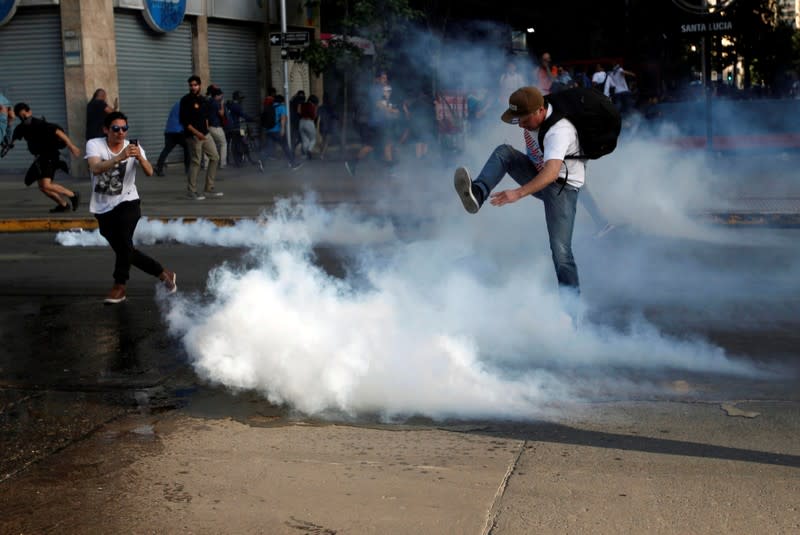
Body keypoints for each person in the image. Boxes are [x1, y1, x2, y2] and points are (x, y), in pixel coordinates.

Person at [453, 86, 585, 307]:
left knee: (561, 252)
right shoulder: (532, 120)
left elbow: (551, 173)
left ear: (539, 111)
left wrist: (518, 192)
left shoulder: (559, 131)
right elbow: (534, 157)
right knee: (504, 152)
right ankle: (478, 193)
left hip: (562, 187)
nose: (520, 124)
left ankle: (571, 312)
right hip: (540, 174)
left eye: (522, 119)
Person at [85, 111, 177, 304]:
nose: (120, 133)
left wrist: (140, 158)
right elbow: (95, 168)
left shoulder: (133, 146)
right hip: (102, 207)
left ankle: (119, 287)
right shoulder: (95, 144)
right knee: (124, 249)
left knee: (125, 241)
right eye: (116, 129)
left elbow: (150, 172)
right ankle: (163, 272)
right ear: (106, 130)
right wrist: (120, 157)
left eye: (124, 129)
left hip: (128, 202)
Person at [10, 103, 81, 213]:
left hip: (50, 156)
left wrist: (71, 145)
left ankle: (72, 194)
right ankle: (63, 205)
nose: (24, 118)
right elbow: (12, 139)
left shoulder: (39, 124)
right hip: (40, 158)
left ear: (29, 112)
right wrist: (10, 125)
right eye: (20, 117)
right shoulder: (22, 128)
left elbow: (58, 132)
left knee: (46, 184)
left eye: (24, 115)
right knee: (43, 187)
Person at [179, 75, 222, 200]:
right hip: (193, 136)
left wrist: (206, 130)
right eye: (191, 85)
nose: (193, 87)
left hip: (205, 134)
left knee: (215, 157)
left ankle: (209, 188)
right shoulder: (186, 100)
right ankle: (191, 191)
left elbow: (206, 117)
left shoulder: (203, 100)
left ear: (199, 85)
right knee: (196, 161)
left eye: (195, 85)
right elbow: (185, 122)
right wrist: (197, 134)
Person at [261, 94, 302, 170]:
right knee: (286, 147)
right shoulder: (281, 107)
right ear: (281, 101)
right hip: (277, 131)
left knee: (268, 148)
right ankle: (293, 164)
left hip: (269, 131)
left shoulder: (270, 107)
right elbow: (283, 118)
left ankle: (262, 160)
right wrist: (283, 129)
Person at [225, 90, 261, 170]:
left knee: (235, 144)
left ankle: (238, 160)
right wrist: (253, 119)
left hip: (229, 128)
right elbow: (243, 114)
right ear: (238, 98)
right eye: (241, 98)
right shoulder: (236, 106)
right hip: (236, 128)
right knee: (242, 143)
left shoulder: (229, 105)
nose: (242, 100)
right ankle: (240, 161)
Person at [154, 100, 190, 176]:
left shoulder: (177, 104)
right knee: (187, 147)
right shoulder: (186, 105)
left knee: (166, 149)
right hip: (179, 131)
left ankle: (158, 167)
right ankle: (188, 168)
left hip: (169, 131)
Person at [205, 85, 227, 169]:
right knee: (223, 143)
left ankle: (206, 165)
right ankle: (222, 163)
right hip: (216, 127)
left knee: (208, 146)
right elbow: (221, 114)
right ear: (217, 95)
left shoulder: (208, 101)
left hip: (208, 127)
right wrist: (221, 104)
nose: (222, 97)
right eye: (221, 95)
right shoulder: (215, 103)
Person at [298, 94, 318, 159]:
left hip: (301, 122)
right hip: (309, 122)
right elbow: (313, 116)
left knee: (305, 140)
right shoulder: (312, 106)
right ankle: (309, 150)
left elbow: (299, 112)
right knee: (313, 139)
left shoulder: (302, 104)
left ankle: (305, 155)